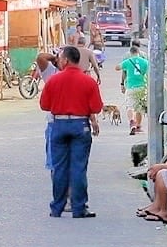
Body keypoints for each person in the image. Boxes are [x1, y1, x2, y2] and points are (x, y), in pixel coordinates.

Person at [37, 46, 104, 219]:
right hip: (80, 125)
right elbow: (96, 107)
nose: (59, 61)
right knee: (78, 168)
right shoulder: (88, 81)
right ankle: (79, 208)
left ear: (66, 60)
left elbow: (44, 105)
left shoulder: (53, 80)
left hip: (59, 125)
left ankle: (57, 208)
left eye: (60, 58)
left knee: (59, 168)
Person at [31, 51, 60, 170]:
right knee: (55, 163)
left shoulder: (52, 74)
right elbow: (40, 57)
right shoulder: (51, 72)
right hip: (57, 121)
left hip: (64, 122)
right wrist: (55, 58)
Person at [116, 43, 150, 136]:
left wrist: (122, 83)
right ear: (138, 52)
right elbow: (149, 73)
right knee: (139, 107)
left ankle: (132, 122)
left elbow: (117, 68)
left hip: (130, 86)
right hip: (142, 86)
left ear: (131, 53)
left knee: (129, 106)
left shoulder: (128, 61)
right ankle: (138, 126)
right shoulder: (145, 62)